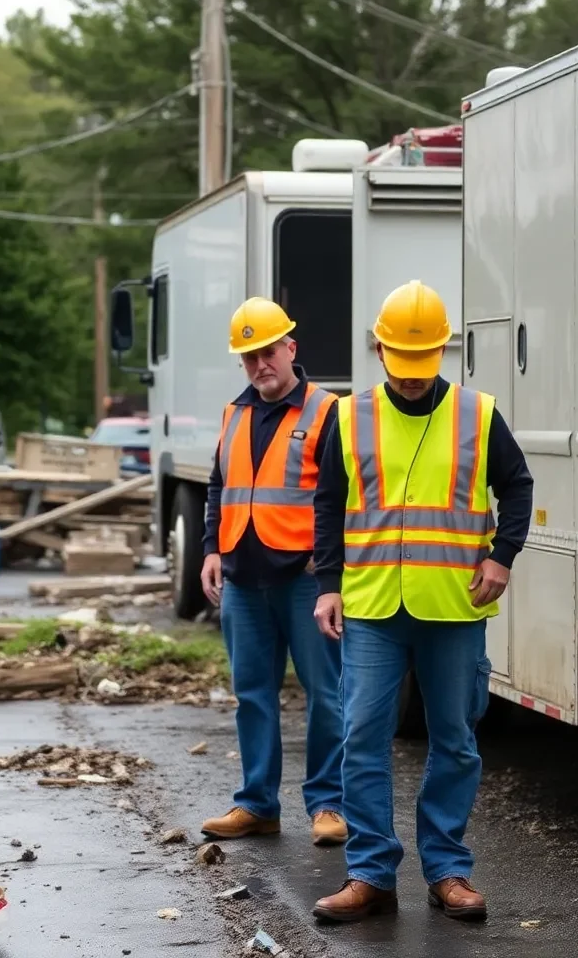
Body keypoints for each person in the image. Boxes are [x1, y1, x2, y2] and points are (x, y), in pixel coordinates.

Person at [309, 280, 534, 924]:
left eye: (423, 365)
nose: (411, 379)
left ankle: (448, 869)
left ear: (445, 350)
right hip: (375, 607)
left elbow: (516, 487)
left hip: (453, 607)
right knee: (362, 738)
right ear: (379, 351)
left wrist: (502, 554)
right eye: (400, 365)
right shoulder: (349, 418)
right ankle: (371, 874)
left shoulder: (478, 414)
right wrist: (328, 583)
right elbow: (328, 503)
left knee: (456, 740)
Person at [199, 297, 347, 848]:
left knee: (326, 694)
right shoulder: (233, 413)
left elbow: (344, 494)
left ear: (291, 348)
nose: (260, 365)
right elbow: (220, 485)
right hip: (242, 577)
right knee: (253, 694)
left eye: (267, 352)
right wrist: (212, 548)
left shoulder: (326, 411)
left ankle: (328, 804)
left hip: (304, 581)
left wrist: (329, 561)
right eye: (248, 357)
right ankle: (257, 804)